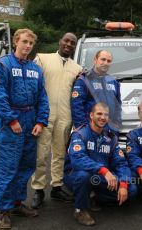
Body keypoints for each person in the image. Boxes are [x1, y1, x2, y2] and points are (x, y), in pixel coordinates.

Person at [0, 28, 49, 229]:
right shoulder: (2, 65)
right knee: (9, 167)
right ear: (16, 42)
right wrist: (12, 120)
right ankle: (4, 210)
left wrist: (41, 122)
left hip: (31, 120)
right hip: (11, 122)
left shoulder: (36, 69)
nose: (28, 46)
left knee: (25, 166)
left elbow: (42, 97)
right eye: (24, 42)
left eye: (31, 43)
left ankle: (16, 203)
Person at [31, 33, 82, 209]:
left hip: (65, 116)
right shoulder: (43, 59)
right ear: (60, 42)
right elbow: (32, 86)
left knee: (60, 153)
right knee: (41, 154)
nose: (68, 44)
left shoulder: (77, 68)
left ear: (75, 47)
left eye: (72, 43)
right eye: (66, 41)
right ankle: (38, 189)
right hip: (44, 115)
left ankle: (57, 187)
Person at [64, 103, 137, 226]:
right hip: (76, 174)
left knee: (132, 190)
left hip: (99, 177)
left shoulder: (110, 138)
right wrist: (104, 170)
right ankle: (80, 209)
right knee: (84, 176)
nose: (103, 117)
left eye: (106, 115)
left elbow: (121, 163)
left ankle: (93, 196)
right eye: (99, 114)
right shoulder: (80, 134)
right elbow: (78, 159)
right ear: (91, 115)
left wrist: (123, 183)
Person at [71, 50, 121, 133]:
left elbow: (118, 107)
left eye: (109, 61)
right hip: (89, 131)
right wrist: (83, 130)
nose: (105, 63)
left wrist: (116, 126)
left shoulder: (114, 82)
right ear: (95, 60)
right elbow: (77, 107)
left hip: (109, 133)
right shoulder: (84, 80)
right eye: (103, 59)